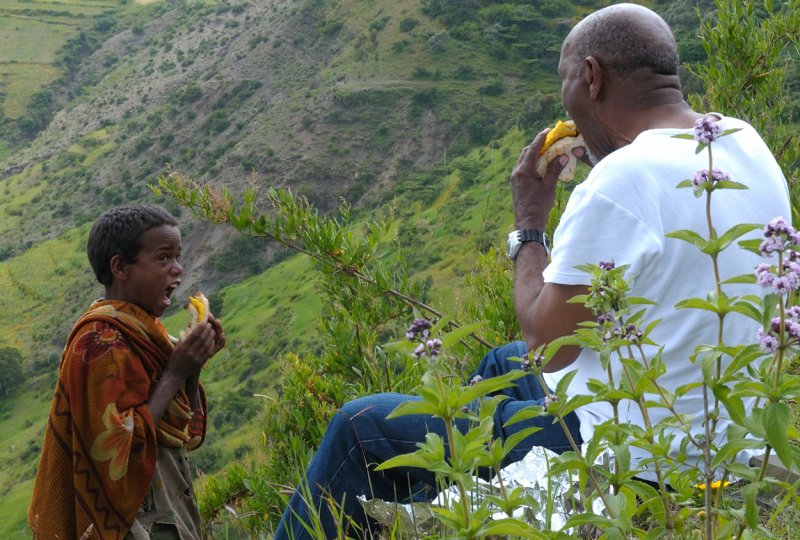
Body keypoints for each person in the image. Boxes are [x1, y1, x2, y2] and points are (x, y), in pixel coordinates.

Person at [276, 4, 791, 539]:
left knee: (358, 429)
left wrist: (529, 224)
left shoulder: (623, 180)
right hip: (730, 426)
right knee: (502, 361)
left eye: (566, 81)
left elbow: (549, 347)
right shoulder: (740, 140)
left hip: (639, 453)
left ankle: (461, 494)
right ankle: (464, 494)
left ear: (591, 78)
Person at [28, 204, 226, 539]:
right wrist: (176, 372)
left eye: (178, 257)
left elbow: (180, 431)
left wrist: (192, 367)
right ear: (120, 267)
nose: (177, 269)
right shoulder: (97, 343)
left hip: (169, 509)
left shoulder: (149, 335)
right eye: (163, 258)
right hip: (132, 524)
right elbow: (114, 450)